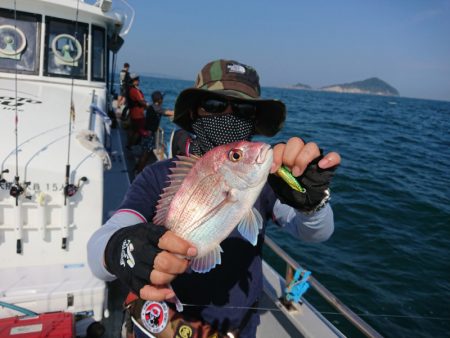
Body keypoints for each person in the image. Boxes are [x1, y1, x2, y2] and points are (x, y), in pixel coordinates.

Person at [88, 59, 341, 338]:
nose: (228, 117)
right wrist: (118, 248)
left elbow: (317, 233)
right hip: (166, 326)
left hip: (239, 329)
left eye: (244, 110)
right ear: (195, 113)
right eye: (215, 106)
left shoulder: (267, 183)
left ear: (254, 121)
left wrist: (311, 203)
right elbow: (98, 251)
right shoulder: (158, 176)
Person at [135, 91, 174, 173]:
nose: (162, 100)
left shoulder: (152, 107)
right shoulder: (156, 108)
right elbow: (167, 112)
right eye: (162, 98)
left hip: (147, 132)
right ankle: (138, 172)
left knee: (144, 153)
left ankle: (137, 168)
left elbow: (164, 113)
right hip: (149, 134)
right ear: (159, 100)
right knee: (146, 154)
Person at [126, 73, 149, 150]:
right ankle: (132, 146)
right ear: (134, 81)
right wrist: (149, 106)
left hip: (133, 114)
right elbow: (141, 101)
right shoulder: (135, 91)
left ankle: (129, 145)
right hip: (138, 115)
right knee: (138, 131)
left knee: (133, 130)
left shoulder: (129, 89)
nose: (139, 81)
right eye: (137, 79)